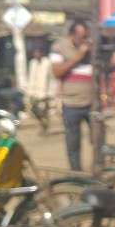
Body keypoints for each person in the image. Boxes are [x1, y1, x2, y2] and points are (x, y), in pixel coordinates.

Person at [50, 20, 93, 171]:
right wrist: (79, 55)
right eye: (81, 37)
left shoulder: (91, 47)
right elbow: (57, 72)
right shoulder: (58, 47)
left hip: (92, 102)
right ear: (72, 35)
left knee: (98, 138)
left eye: (86, 36)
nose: (84, 40)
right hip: (71, 103)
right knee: (73, 141)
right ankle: (76, 173)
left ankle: (98, 168)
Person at [26, 43, 56, 131]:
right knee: (34, 110)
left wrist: (51, 92)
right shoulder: (32, 63)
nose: (36, 54)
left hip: (46, 92)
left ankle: (45, 127)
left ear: (42, 53)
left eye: (38, 52)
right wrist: (29, 91)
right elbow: (31, 78)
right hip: (34, 92)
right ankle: (43, 123)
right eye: (35, 53)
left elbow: (52, 78)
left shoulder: (48, 62)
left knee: (44, 110)